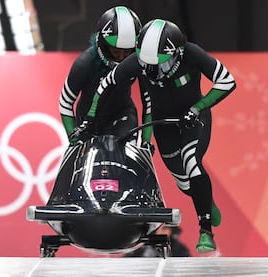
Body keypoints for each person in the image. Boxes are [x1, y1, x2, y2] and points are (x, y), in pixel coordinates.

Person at [85, 19, 237, 253]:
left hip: (193, 119)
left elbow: (227, 81)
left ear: (177, 53)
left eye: (161, 63)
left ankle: (205, 229)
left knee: (192, 164)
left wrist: (198, 108)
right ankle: (207, 201)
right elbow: (107, 84)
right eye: (147, 64)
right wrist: (90, 119)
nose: (154, 70)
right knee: (183, 182)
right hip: (163, 124)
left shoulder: (193, 54)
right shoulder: (138, 62)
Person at [59, 6, 142, 142]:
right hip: (88, 120)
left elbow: (149, 97)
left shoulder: (140, 60)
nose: (121, 57)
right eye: (116, 52)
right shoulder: (85, 63)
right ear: (103, 44)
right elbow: (65, 102)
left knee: (127, 152)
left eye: (127, 52)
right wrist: (73, 140)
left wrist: (145, 140)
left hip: (122, 114)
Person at [125, 225, 190, 257]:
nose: (159, 232)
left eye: (164, 229)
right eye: (158, 229)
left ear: (170, 230)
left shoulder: (179, 248)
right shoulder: (142, 246)